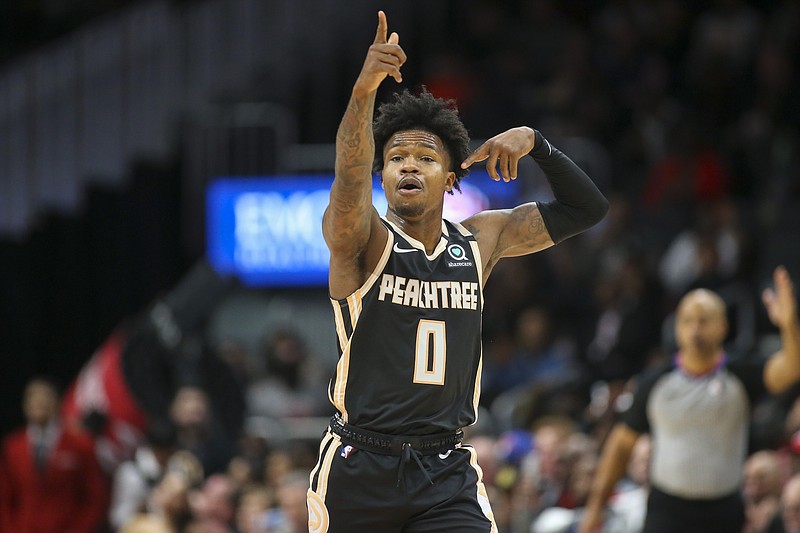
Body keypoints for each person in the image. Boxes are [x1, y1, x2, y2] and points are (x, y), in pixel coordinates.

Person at [307, 10, 608, 533]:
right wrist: (362, 96)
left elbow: (587, 210)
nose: (407, 164)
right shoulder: (361, 237)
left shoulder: (479, 240)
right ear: (382, 175)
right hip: (360, 464)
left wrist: (537, 143)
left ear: (449, 177)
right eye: (396, 157)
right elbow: (348, 177)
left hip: (443, 469)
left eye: (425, 157)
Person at [580, 266, 800, 533]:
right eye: (687, 320)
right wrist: (595, 506)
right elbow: (621, 446)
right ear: (677, 327)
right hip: (667, 511)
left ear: (723, 326)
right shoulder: (655, 381)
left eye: (704, 320)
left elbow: (790, 369)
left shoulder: (741, 374)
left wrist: (789, 325)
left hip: (724, 511)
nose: (695, 328)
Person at [0, 377, 110, 533]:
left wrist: (80, 529)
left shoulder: (79, 445)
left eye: (45, 397)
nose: (40, 403)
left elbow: (95, 496)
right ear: (25, 404)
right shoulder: (13, 447)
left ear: (58, 403)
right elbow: (5, 496)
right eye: (34, 398)